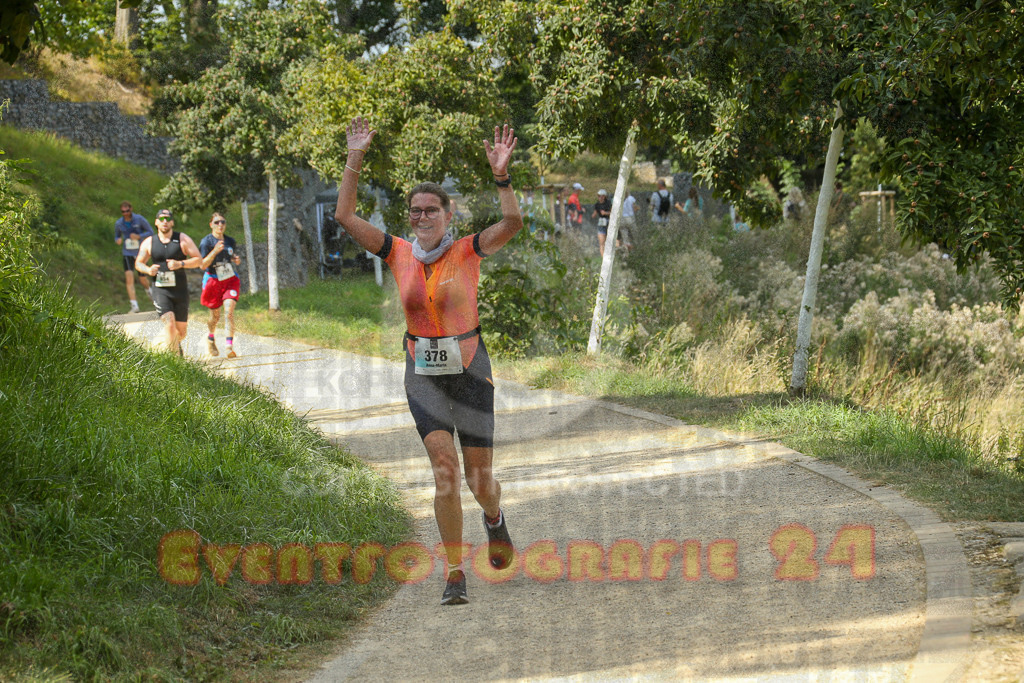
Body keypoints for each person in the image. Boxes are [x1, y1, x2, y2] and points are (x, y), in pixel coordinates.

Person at [336, 116, 521, 606]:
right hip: (423, 373)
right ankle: (455, 573)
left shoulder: (467, 251)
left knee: (479, 480)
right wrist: (355, 156)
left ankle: (494, 519)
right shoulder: (397, 253)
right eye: (414, 212)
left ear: (447, 213)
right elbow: (346, 218)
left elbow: (512, 223)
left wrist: (502, 177)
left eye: (430, 210)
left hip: (470, 370)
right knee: (444, 469)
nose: (421, 218)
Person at [135, 209, 203, 355]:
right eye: (161, 219)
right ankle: (174, 362)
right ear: (156, 222)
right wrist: (147, 270)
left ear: (172, 222)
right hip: (161, 290)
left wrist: (181, 264)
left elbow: (198, 260)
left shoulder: (182, 239)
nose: (165, 221)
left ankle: (175, 346)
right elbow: (138, 263)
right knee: (169, 323)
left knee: (181, 332)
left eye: (168, 218)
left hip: (180, 290)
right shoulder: (149, 242)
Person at [198, 212, 243, 358]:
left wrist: (235, 259)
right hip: (213, 280)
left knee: (229, 312)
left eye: (223, 222)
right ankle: (211, 337)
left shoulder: (230, 241)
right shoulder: (206, 242)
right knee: (214, 317)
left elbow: (230, 256)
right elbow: (203, 264)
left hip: (230, 279)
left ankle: (229, 346)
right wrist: (214, 251)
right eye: (217, 222)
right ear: (211, 224)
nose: (220, 225)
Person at [114, 201, 154, 313]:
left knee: (142, 279)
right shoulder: (119, 223)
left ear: (131, 209)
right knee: (129, 278)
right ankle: (134, 305)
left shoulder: (139, 219)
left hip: (140, 253)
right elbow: (117, 236)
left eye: (127, 211)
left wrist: (139, 236)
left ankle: (149, 290)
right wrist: (118, 240)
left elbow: (151, 232)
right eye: (123, 212)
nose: (126, 213)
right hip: (127, 253)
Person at [592, 189, 612, 255]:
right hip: (601, 223)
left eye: (602, 196)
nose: (600, 198)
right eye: (599, 196)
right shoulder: (597, 204)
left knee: (610, 241)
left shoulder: (608, 203)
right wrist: (593, 215)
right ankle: (603, 258)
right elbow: (595, 213)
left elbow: (612, 212)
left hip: (608, 222)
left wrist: (605, 213)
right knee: (601, 243)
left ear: (605, 197)